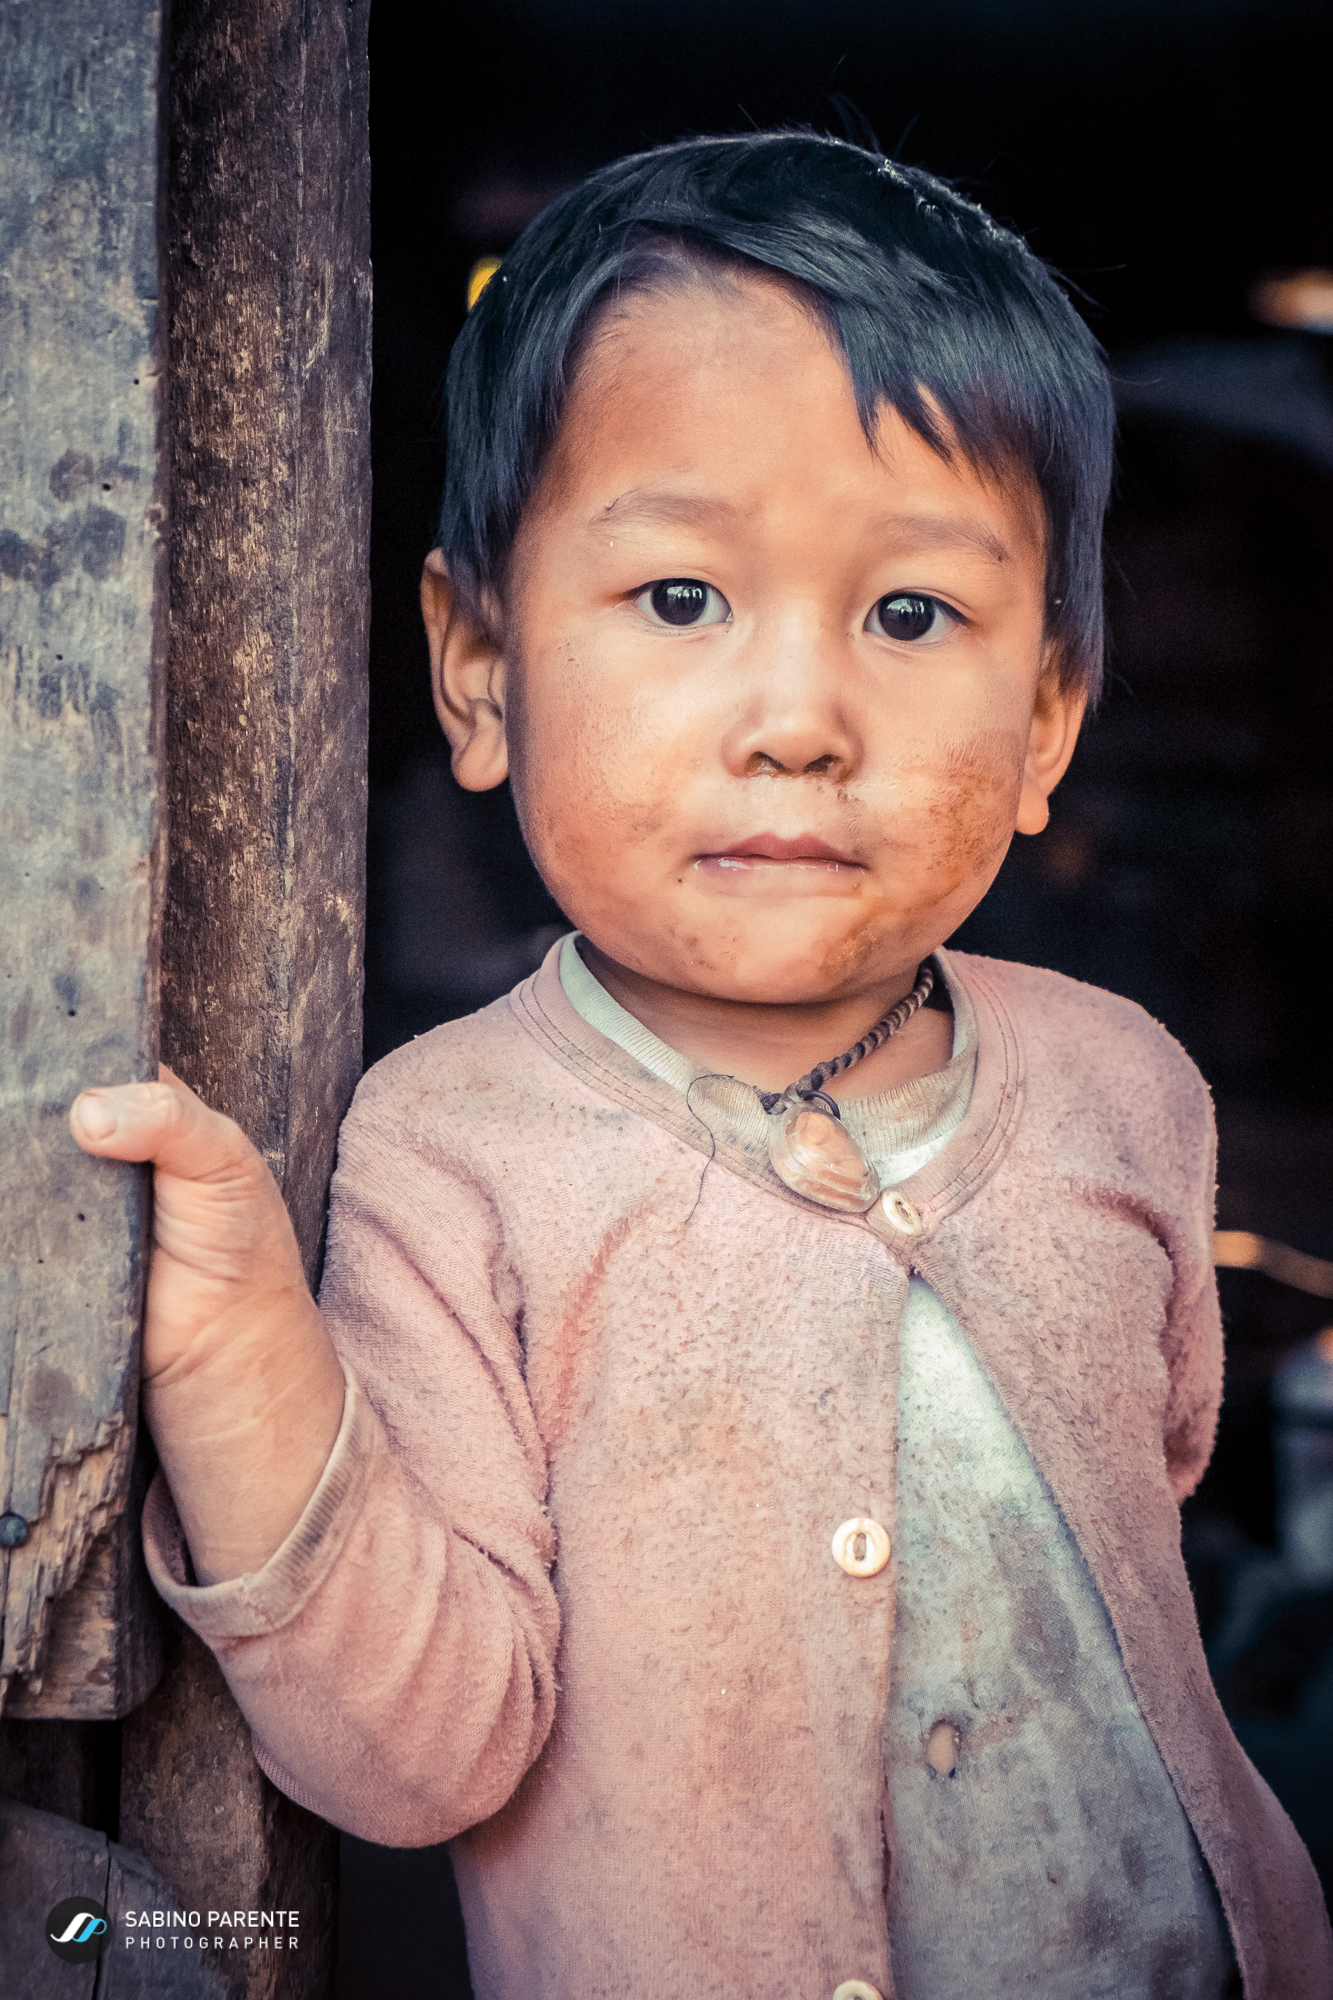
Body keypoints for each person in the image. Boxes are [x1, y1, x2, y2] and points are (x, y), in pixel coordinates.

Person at [70, 133, 1330, 1997]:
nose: (801, 721)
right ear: (481, 669)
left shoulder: (1122, 1087)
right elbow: (416, 1754)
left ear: (1048, 715)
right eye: (680, 599)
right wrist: (234, 1354)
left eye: (911, 615)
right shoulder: (455, 1148)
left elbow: (1158, 1472)